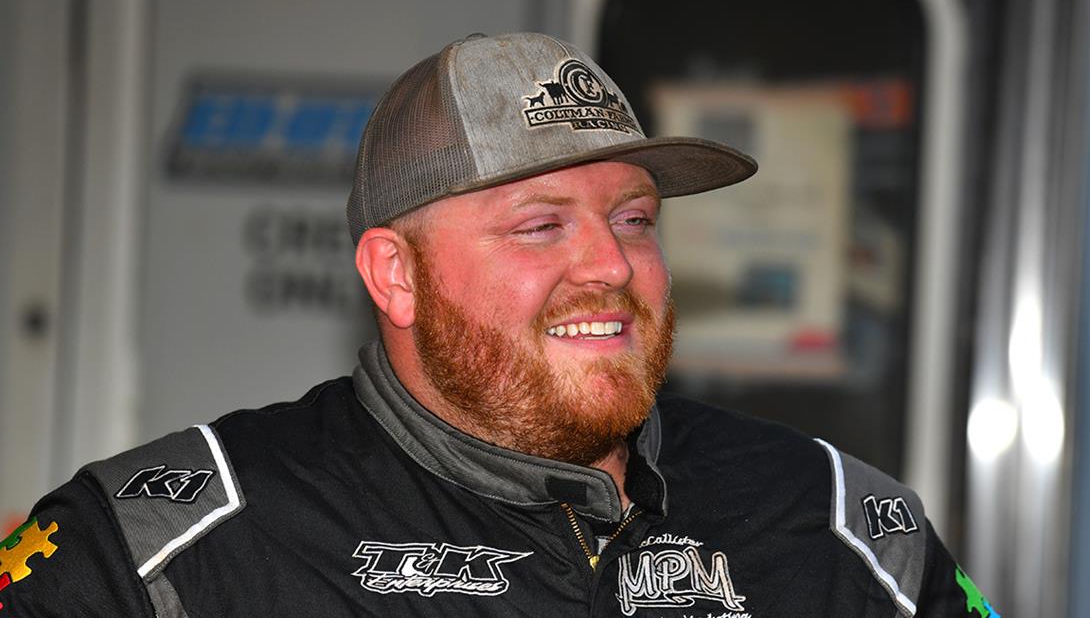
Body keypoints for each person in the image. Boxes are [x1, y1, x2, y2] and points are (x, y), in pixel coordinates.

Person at [0, 32, 996, 617]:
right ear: (396, 274)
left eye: (633, 218)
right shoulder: (163, 545)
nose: (610, 264)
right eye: (538, 226)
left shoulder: (840, 524)